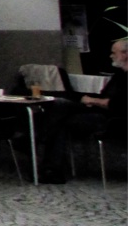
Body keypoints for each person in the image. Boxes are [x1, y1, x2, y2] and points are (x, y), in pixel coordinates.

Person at [39, 38, 127, 183]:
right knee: (60, 105)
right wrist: (89, 99)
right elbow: (104, 97)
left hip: (113, 119)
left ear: (125, 54)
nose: (111, 56)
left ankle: (41, 145)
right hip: (100, 110)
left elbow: (118, 105)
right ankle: (50, 168)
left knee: (61, 117)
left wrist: (92, 100)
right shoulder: (119, 74)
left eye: (114, 53)